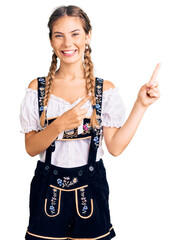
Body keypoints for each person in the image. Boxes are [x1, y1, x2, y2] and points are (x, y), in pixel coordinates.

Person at [19, 5, 160, 240]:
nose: (67, 43)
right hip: (46, 190)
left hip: (92, 188)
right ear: (51, 40)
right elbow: (31, 148)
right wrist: (58, 125)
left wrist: (141, 104)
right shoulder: (38, 89)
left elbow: (115, 147)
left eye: (75, 34)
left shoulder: (104, 90)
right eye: (59, 35)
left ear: (88, 35)